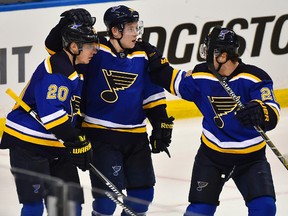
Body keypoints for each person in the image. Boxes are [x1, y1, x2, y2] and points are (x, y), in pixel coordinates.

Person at [45, 6, 174, 216]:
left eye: (136, 27)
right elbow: (55, 50)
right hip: (100, 137)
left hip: (136, 138)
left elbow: (152, 93)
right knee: (106, 201)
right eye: (131, 28)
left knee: (142, 197)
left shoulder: (144, 54)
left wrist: (161, 122)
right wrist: (63, 24)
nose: (136, 33)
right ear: (115, 31)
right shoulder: (94, 50)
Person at [139, 27, 280, 216]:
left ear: (222, 56)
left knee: (265, 208)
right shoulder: (201, 75)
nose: (205, 54)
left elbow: (272, 108)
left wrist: (261, 112)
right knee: (199, 211)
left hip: (251, 158)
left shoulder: (255, 77)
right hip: (212, 156)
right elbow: (171, 79)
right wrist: (156, 60)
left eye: (209, 50)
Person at [0, 12, 99, 216]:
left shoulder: (76, 67)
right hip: (28, 144)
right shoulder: (58, 70)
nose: (94, 50)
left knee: (68, 207)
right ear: (74, 47)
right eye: (89, 46)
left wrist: (77, 138)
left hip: (56, 144)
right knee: (34, 205)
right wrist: (76, 141)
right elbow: (52, 115)